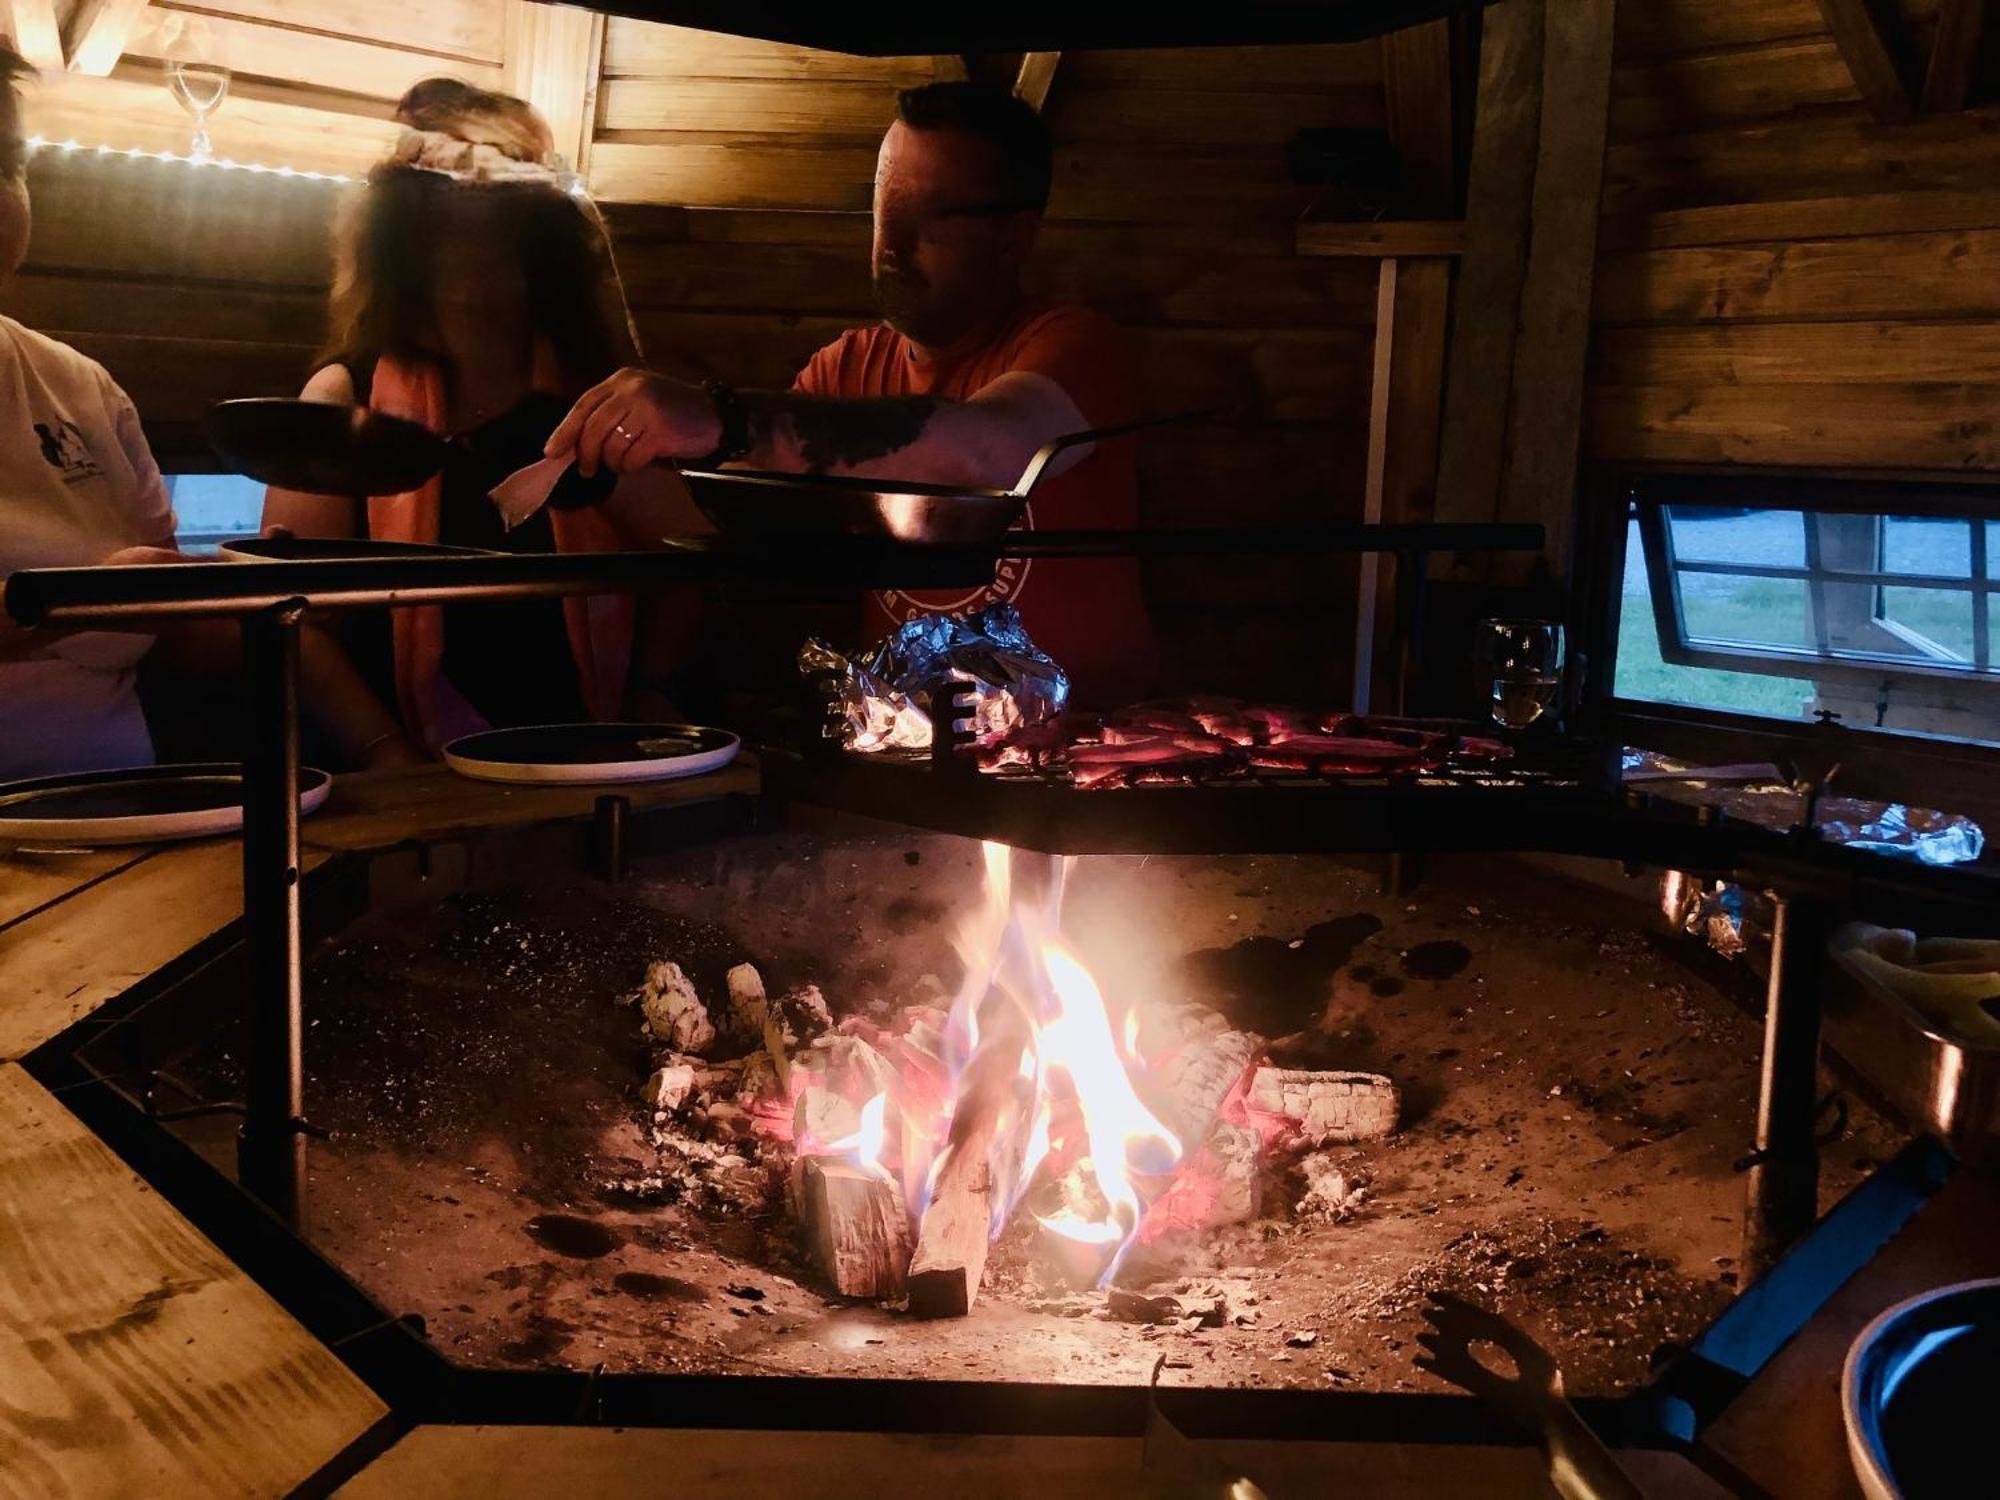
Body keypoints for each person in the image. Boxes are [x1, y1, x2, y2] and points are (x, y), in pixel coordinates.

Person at [545, 81, 1157, 705]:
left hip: (1087, 753)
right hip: (908, 750)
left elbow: (986, 448)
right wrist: (585, 449)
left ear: (1013, 237)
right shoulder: (847, 369)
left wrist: (726, 418)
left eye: (930, 213)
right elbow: (713, 516)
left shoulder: (1077, 348)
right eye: (883, 201)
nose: (890, 240)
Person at [265, 80, 701, 755]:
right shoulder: (344, 399)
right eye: (447, 208)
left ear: (543, 234)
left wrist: (651, 699)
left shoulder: (590, 404)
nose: (472, 230)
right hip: (406, 780)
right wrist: (392, 764)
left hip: (583, 768)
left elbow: (692, 560)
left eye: (498, 210)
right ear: (404, 228)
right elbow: (293, 618)